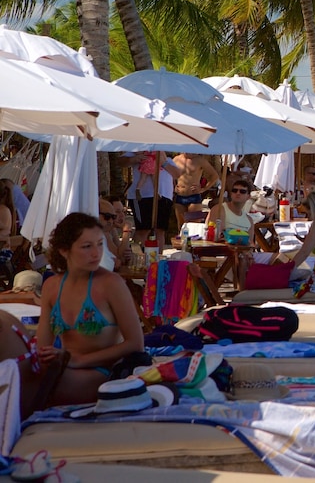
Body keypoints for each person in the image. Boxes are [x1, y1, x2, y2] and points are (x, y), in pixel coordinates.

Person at [35, 212, 146, 405]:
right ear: (63, 250)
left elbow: (136, 343)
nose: (96, 253)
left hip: (105, 370)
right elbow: (42, 347)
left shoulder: (111, 284)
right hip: (66, 367)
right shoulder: (52, 286)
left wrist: (77, 360)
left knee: (47, 387)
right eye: (87, 246)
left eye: (100, 244)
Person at [121, 151, 182, 249]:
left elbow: (177, 174)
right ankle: (138, 257)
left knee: (160, 230)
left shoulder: (167, 159)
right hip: (142, 197)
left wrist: (163, 162)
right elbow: (122, 162)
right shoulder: (138, 149)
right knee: (143, 230)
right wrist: (135, 159)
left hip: (163, 197)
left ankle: (158, 260)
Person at [172, 152, 220, 228]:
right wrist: (173, 185)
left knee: (193, 226)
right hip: (180, 196)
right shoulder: (177, 159)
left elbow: (214, 175)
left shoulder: (200, 160)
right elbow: (169, 173)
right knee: (181, 226)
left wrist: (203, 189)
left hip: (193, 196)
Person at [206, 179, 256, 243]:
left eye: (242, 191)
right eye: (234, 191)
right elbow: (219, 237)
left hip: (242, 251)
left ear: (248, 197)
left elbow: (250, 244)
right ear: (231, 194)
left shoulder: (249, 220)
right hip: (223, 250)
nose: (238, 193)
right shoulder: (220, 210)